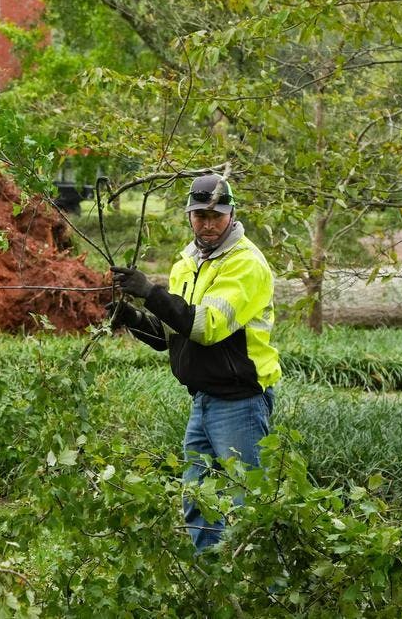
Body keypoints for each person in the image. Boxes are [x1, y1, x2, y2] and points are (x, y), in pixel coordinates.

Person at [109, 173, 279, 552]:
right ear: (189, 216)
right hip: (202, 400)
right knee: (198, 503)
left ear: (231, 213)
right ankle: (211, 586)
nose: (207, 224)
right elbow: (173, 334)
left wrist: (150, 293)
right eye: (199, 215)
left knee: (249, 505)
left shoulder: (246, 264)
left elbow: (205, 327)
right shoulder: (187, 262)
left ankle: (263, 596)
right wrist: (133, 317)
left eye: (215, 216)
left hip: (240, 402)